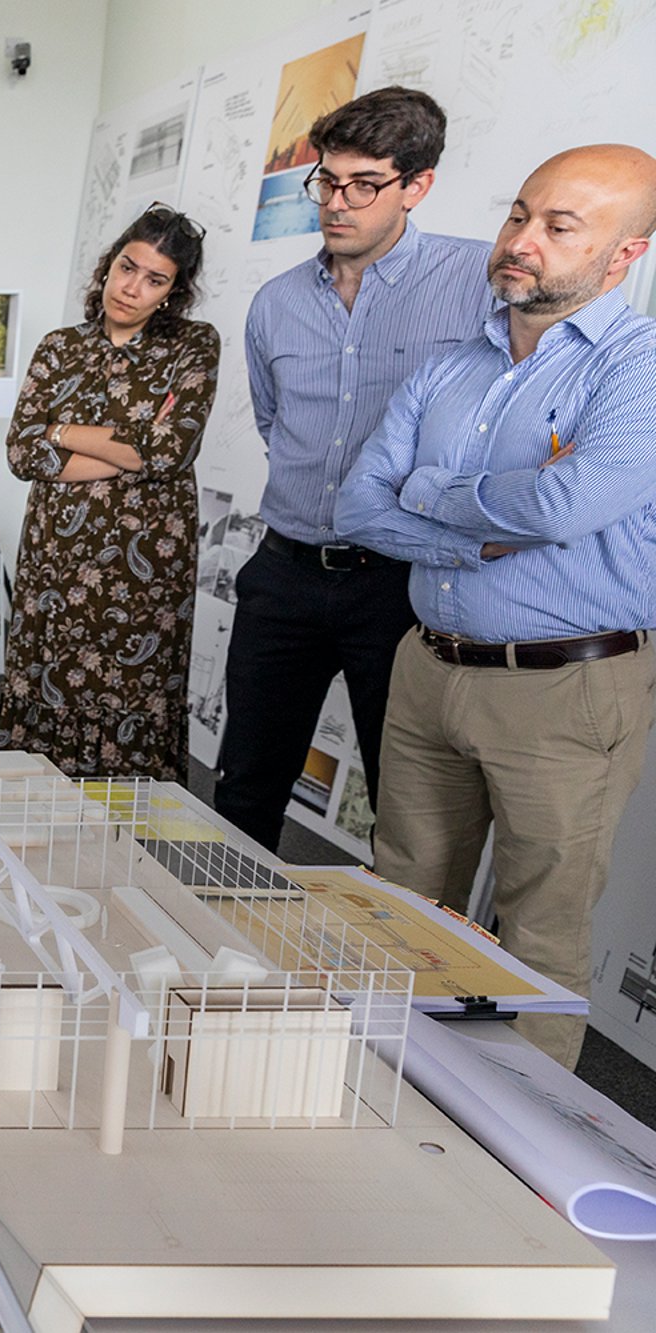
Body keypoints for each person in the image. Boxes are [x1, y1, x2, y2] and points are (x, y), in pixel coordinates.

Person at [336, 143, 656, 1069]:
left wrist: (428, 490)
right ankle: (383, 1093)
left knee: (540, 934)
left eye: (561, 227)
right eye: (520, 214)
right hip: (430, 665)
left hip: (565, 689)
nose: (523, 240)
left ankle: (521, 1163)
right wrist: (477, 521)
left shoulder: (635, 369)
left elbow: (567, 506)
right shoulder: (453, 366)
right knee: (401, 900)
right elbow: (359, 504)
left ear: (624, 254)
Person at [213, 87, 496, 852]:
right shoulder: (275, 303)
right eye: (326, 182)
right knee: (245, 786)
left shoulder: (478, 285)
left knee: (404, 804)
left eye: (363, 185)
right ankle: (222, 964)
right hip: (285, 572)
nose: (336, 203)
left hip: (398, 585)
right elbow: (279, 425)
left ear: (417, 185)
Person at [0, 205, 218, 780]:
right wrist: (126, 450)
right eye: (127, 267)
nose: (132, 288)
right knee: (47, 688)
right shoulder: (58, 347)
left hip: (144, 572)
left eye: (154, 279)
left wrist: (62, 432)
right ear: (108, 265)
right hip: (57, 564)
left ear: (173, 291)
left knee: (132, 694)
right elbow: (23, 453)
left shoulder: (192, 346)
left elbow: (170, 451)